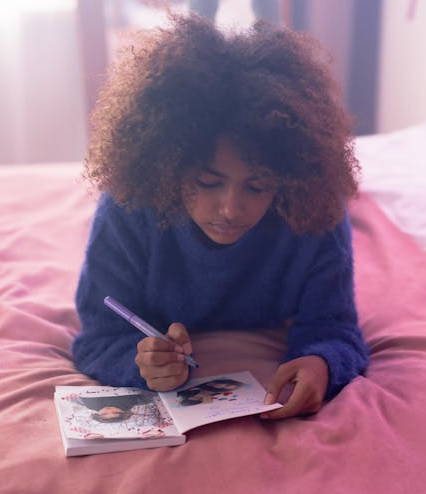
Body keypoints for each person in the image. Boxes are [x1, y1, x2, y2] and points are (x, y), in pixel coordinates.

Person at [71, 13, 369, 420]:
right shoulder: (129, 207)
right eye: (209, 182)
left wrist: (322, 363)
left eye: (258, 186)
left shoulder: (313, 212)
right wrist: (139, 363)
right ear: (168, 167)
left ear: (286, 178)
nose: (231, 209)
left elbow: (334, 327)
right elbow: (99, 336)